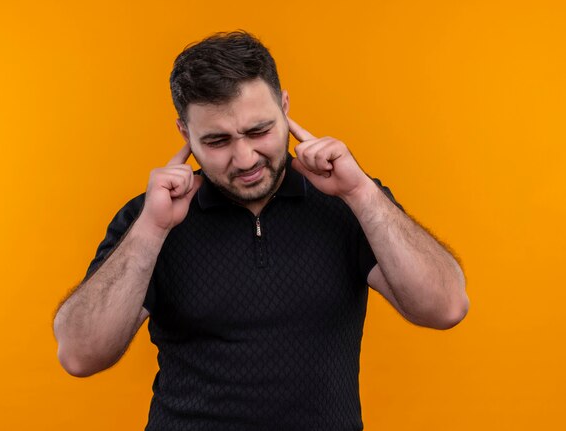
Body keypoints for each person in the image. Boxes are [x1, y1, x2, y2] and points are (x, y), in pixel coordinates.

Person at [53, 30, 469, 431]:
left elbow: (445, 308)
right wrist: (151, 231)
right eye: (217, 141)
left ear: (285, 107)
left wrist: (361, 192)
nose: (245, 157)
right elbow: (80, 355)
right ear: (185, 134)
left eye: (260, 131)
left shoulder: (348, 199)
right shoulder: (152, 218)